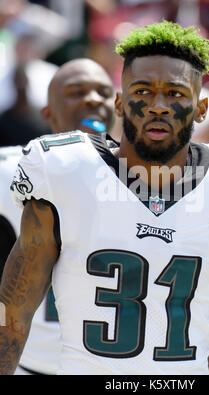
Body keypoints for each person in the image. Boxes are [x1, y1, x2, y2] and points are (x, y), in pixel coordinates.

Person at [1, 20, 209, 375]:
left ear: (202, 108)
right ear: (120, 102)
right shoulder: (64, 171)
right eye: (142, 91)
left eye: (175, 93)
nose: (158, 106)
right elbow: (12, 320)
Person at [0, 57, 115, 375]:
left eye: (103, 92)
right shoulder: (12, 169)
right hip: (28, 365)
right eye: (76, 92)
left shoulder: (145, 179)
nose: (92, 99)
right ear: (48, 113)